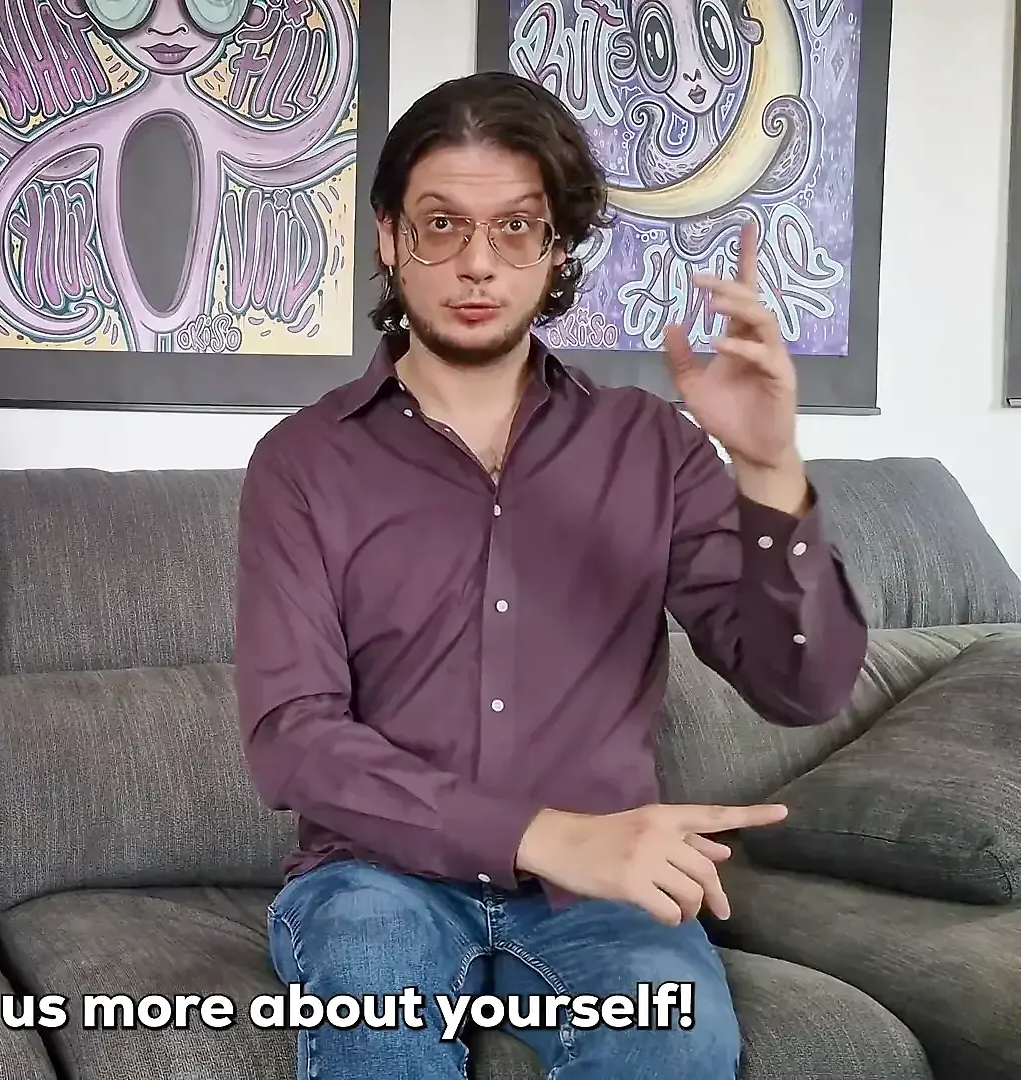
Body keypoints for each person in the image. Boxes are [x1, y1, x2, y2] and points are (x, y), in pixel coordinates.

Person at [234, 72, 869, 1080]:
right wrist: (541, 835)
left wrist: (768, 469)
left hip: (602, 897)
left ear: (557, 246)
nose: (477, 262)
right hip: (377, 879)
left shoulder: (651, 445)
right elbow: (293, 740)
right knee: (371, 1011)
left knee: (674, 1041)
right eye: (442, 223)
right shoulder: (302, 463)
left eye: (516, 227)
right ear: (390, 237)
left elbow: (804, 687)